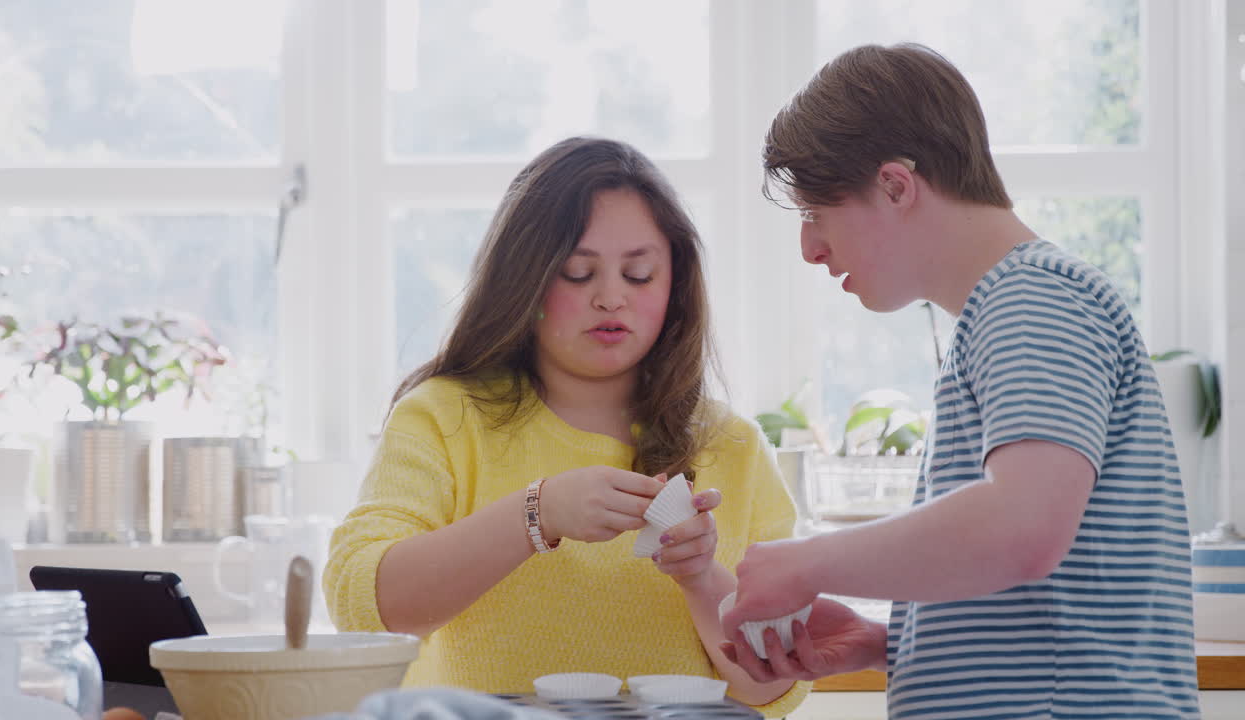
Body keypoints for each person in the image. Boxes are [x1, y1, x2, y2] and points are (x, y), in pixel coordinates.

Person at [720, 43, 1201, 719]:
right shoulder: (1011, 311)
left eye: (816, 215)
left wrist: (807, 563)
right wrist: (898, 643)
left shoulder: (1033, 301)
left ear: (895, 186)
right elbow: (1051, 600)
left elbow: (1023, 529)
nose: (810, 249)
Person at [323, 136, 810, 716]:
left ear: (674, 287)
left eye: (639, 274)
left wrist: (703, 578)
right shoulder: (445, 417)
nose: (611, 299)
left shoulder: (733, 447)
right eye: (579, 274)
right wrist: (537, 512)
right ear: (525, 284)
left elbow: (772, 687)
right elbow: (365, 608)